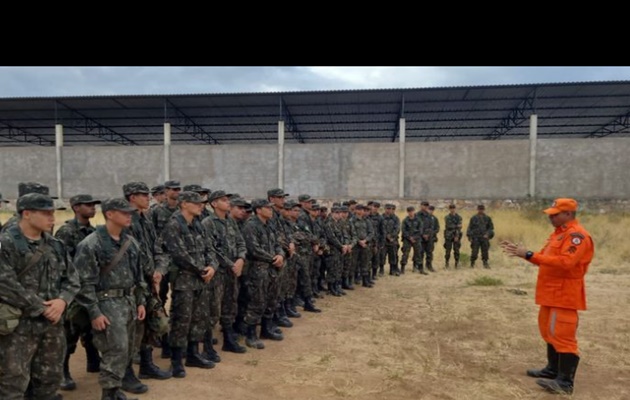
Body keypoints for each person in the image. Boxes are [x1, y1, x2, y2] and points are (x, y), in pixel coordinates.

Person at [501, 198, 594, 395]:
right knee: (548, 331)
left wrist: (527, 253)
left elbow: (565, 263)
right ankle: (553, 370)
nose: (551, 217)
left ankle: (565, 382)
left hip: (565, 295)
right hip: (550, 294)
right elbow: (543, 259)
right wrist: (524, 254)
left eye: (555, 214)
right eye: (550, 214)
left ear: (568, 214)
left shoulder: (577, 236)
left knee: (563, 335)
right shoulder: (557, 235)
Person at [0, 193, 80, 400]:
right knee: (12, 383)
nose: (52, 218)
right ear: (26, 214)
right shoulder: (6, 244)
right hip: (17, 328)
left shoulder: (55, 245)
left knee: (49, 380)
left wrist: (62, 301)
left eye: (53, 213)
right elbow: (5, 283)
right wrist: (42, 307)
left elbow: (72, 279)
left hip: (52, 327)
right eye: (46, 213)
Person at [74, 198, 149, 400]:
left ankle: (116, 390)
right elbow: (84, 282)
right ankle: (109, 393)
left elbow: (139, 276)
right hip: (106, 304)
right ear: (109, 214)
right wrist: (94, 312)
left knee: (128, 349)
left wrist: (141, 301)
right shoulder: (91, 244)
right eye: (124, 212)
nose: (129, 215)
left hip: (129, 302)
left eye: (130, 212)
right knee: (115, 350)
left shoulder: (130, 242)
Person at [161, 191, 218, 377]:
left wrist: (212, 267)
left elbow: (210, 248)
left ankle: (193, 354)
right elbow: (179, 254)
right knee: (181, 320)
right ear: (184, 204)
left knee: (199, 318)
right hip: (184, 281)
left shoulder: (198, 225)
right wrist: (202, 270)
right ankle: (176, 361)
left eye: (202, 203)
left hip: (201, 280)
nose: (201, 205)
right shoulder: (174, 225)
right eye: (197, 203)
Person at [55, 194, 102, 391]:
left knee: (91, 328)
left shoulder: (92, 231)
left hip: (90, 287)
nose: (92, 208)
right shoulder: (67, 232)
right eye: (88, 205)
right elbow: (60, 263)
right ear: (76, 208)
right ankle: (63, 371)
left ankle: (93, 362)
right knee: (70, 333)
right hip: (73, 290)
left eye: (93, 205)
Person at [201, 190, 248, 357]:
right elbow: (211, 249)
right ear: (214, 204)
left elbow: (241, 242)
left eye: (228, 200)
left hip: (232, 272)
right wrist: (231, 264)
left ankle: (229, 340)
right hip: (218, 273)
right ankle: (207, 347)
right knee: (213, 309)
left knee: (230, 306)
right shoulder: (208, 223)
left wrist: (241, 259)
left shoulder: (230, 222)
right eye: (223, 200)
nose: (228, 202)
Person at [241, 199, 285, 349]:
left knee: (271, 299)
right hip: (257, 270)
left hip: (272, 269)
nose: (271, 210)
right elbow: (253, 249)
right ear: (258, 210)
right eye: (267, 208)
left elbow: (278, 243)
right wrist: (273, 258)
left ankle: (266, 329)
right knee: (256, 301)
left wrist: (280, 254)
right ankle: (251, 334)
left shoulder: (270, 224)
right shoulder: (251, 226)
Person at [467, 204, 494, 268]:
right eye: (480, 209)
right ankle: (472, 263)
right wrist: (470, 237)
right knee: (474, 252)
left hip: (484, 237)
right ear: (477, 209)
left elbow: (491, 228)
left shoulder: (487, 218)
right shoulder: (473, 218)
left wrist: (487, 234)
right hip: (475, 237)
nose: (481, 211)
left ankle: (485, 263)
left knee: (485, 251)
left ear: (484, 210)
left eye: (482, 209)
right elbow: (470, 228)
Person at [400, 206, 423, 275]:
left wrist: (415, 238)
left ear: (414, 211)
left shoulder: (418, 220)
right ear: (408, 212)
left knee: (418, 253)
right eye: (409, 211)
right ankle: (402, 268)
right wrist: (409, 238)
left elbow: (420, 230)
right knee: (405, 254)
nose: (411, 213)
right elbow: (403, 230)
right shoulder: (405, 220)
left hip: (417, 239)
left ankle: (420, 268)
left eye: (412, 211)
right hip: (407, 239)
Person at [382, 204, 401, 276]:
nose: (389, 210)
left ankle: (392, 269)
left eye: (390, 209)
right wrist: (386, 236)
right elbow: (381, 228)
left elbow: (397, 228)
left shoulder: (395, 218)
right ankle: (381, 270)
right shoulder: (381, 218)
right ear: (385, 209)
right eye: (387, 208)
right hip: (384, 240)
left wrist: (392, 236)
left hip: (393, 240)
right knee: (382, 255)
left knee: (393, 255)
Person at [443, 204, 463, 269]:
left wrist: (457, 236)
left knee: (456, 250)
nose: (452, 209)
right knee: (448, 251)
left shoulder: (459, 217)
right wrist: (456, 226)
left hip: (456, 236)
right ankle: (446, 263)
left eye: (453, 208)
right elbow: (448, 226)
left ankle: (456, 263)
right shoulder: (447, 217)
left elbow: (459, 227)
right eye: (451, 208)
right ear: (449, 209)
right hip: (448, 236)